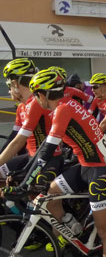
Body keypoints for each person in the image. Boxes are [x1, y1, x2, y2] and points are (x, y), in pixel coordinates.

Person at [9, 69, 106, 257]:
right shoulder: (66, 105)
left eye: (36, 96)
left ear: (41, 95)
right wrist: (24, 176)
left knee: (105, 231)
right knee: (50, 195)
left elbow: (47, 152)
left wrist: (24, 185)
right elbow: (45, 148)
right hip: (85, 164)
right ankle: (72, 227)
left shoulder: (63, 109)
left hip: (100, 168)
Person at [0, 59, 63, 187]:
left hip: (47, 158)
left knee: (36, 201)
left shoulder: (36, 103)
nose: (8, 90)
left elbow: (18, 142)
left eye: (9, 85)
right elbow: (13, 137)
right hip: (32, 156)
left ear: (15, 83)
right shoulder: (21, 107)